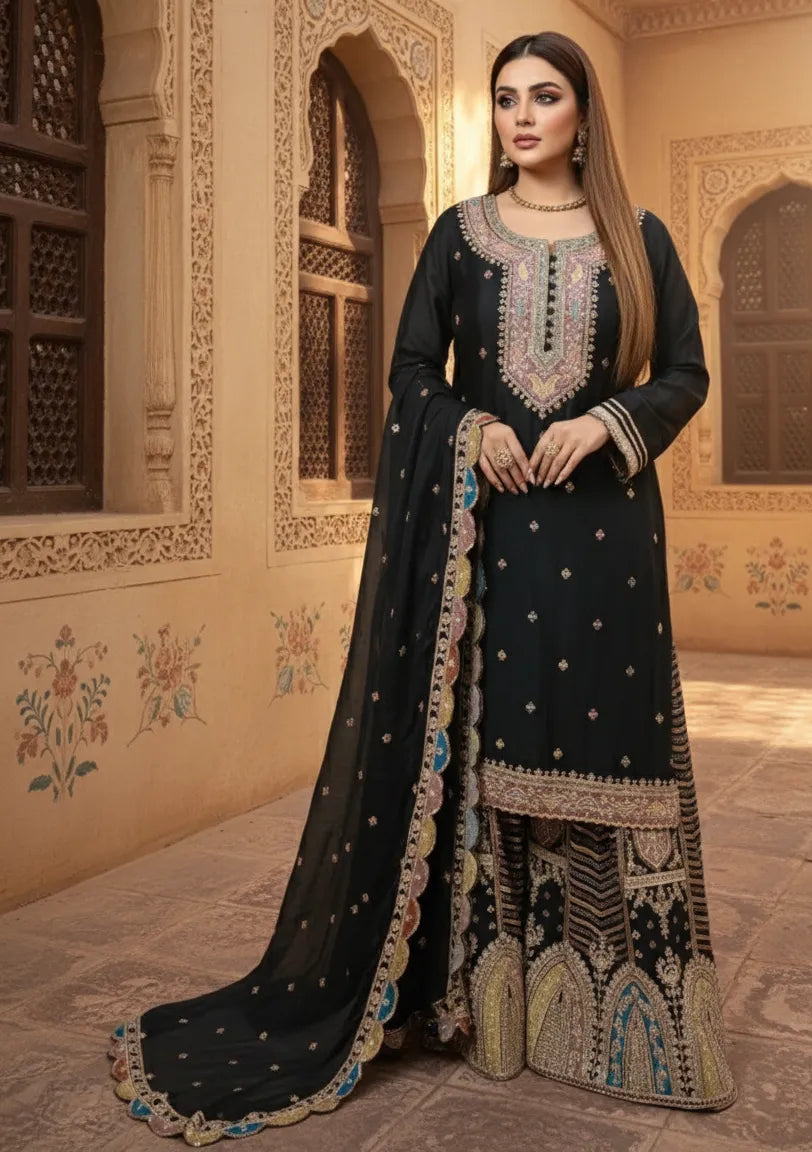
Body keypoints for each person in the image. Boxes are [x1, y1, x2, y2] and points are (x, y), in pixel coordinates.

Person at [109, 30, 735, 1145]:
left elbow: (683, 370)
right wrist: (474, 424)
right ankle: (489, 1006)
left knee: (610, 754)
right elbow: (408, 375)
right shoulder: (459, 237)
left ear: (583, 114)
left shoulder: (636, 241)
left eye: (545, 96)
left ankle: (617, 1015)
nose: (523, 116)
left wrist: (606, 419)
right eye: (505, 99)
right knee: (494, 750)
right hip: (489, 539)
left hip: (603, 540)